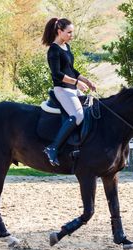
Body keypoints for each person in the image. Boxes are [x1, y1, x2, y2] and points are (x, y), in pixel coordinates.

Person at [42, 17, 96, 166]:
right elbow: (57, 74)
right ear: (59, 31)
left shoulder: (67, 47)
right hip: (62, 90)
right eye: (69, 32)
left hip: (72, 89)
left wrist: (86, 81)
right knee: (77, 115)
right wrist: (77, 83)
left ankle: (79, 146)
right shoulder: (53, 50)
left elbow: (71, 70)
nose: (72, 35)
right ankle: (52, 147)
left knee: (90, 110)